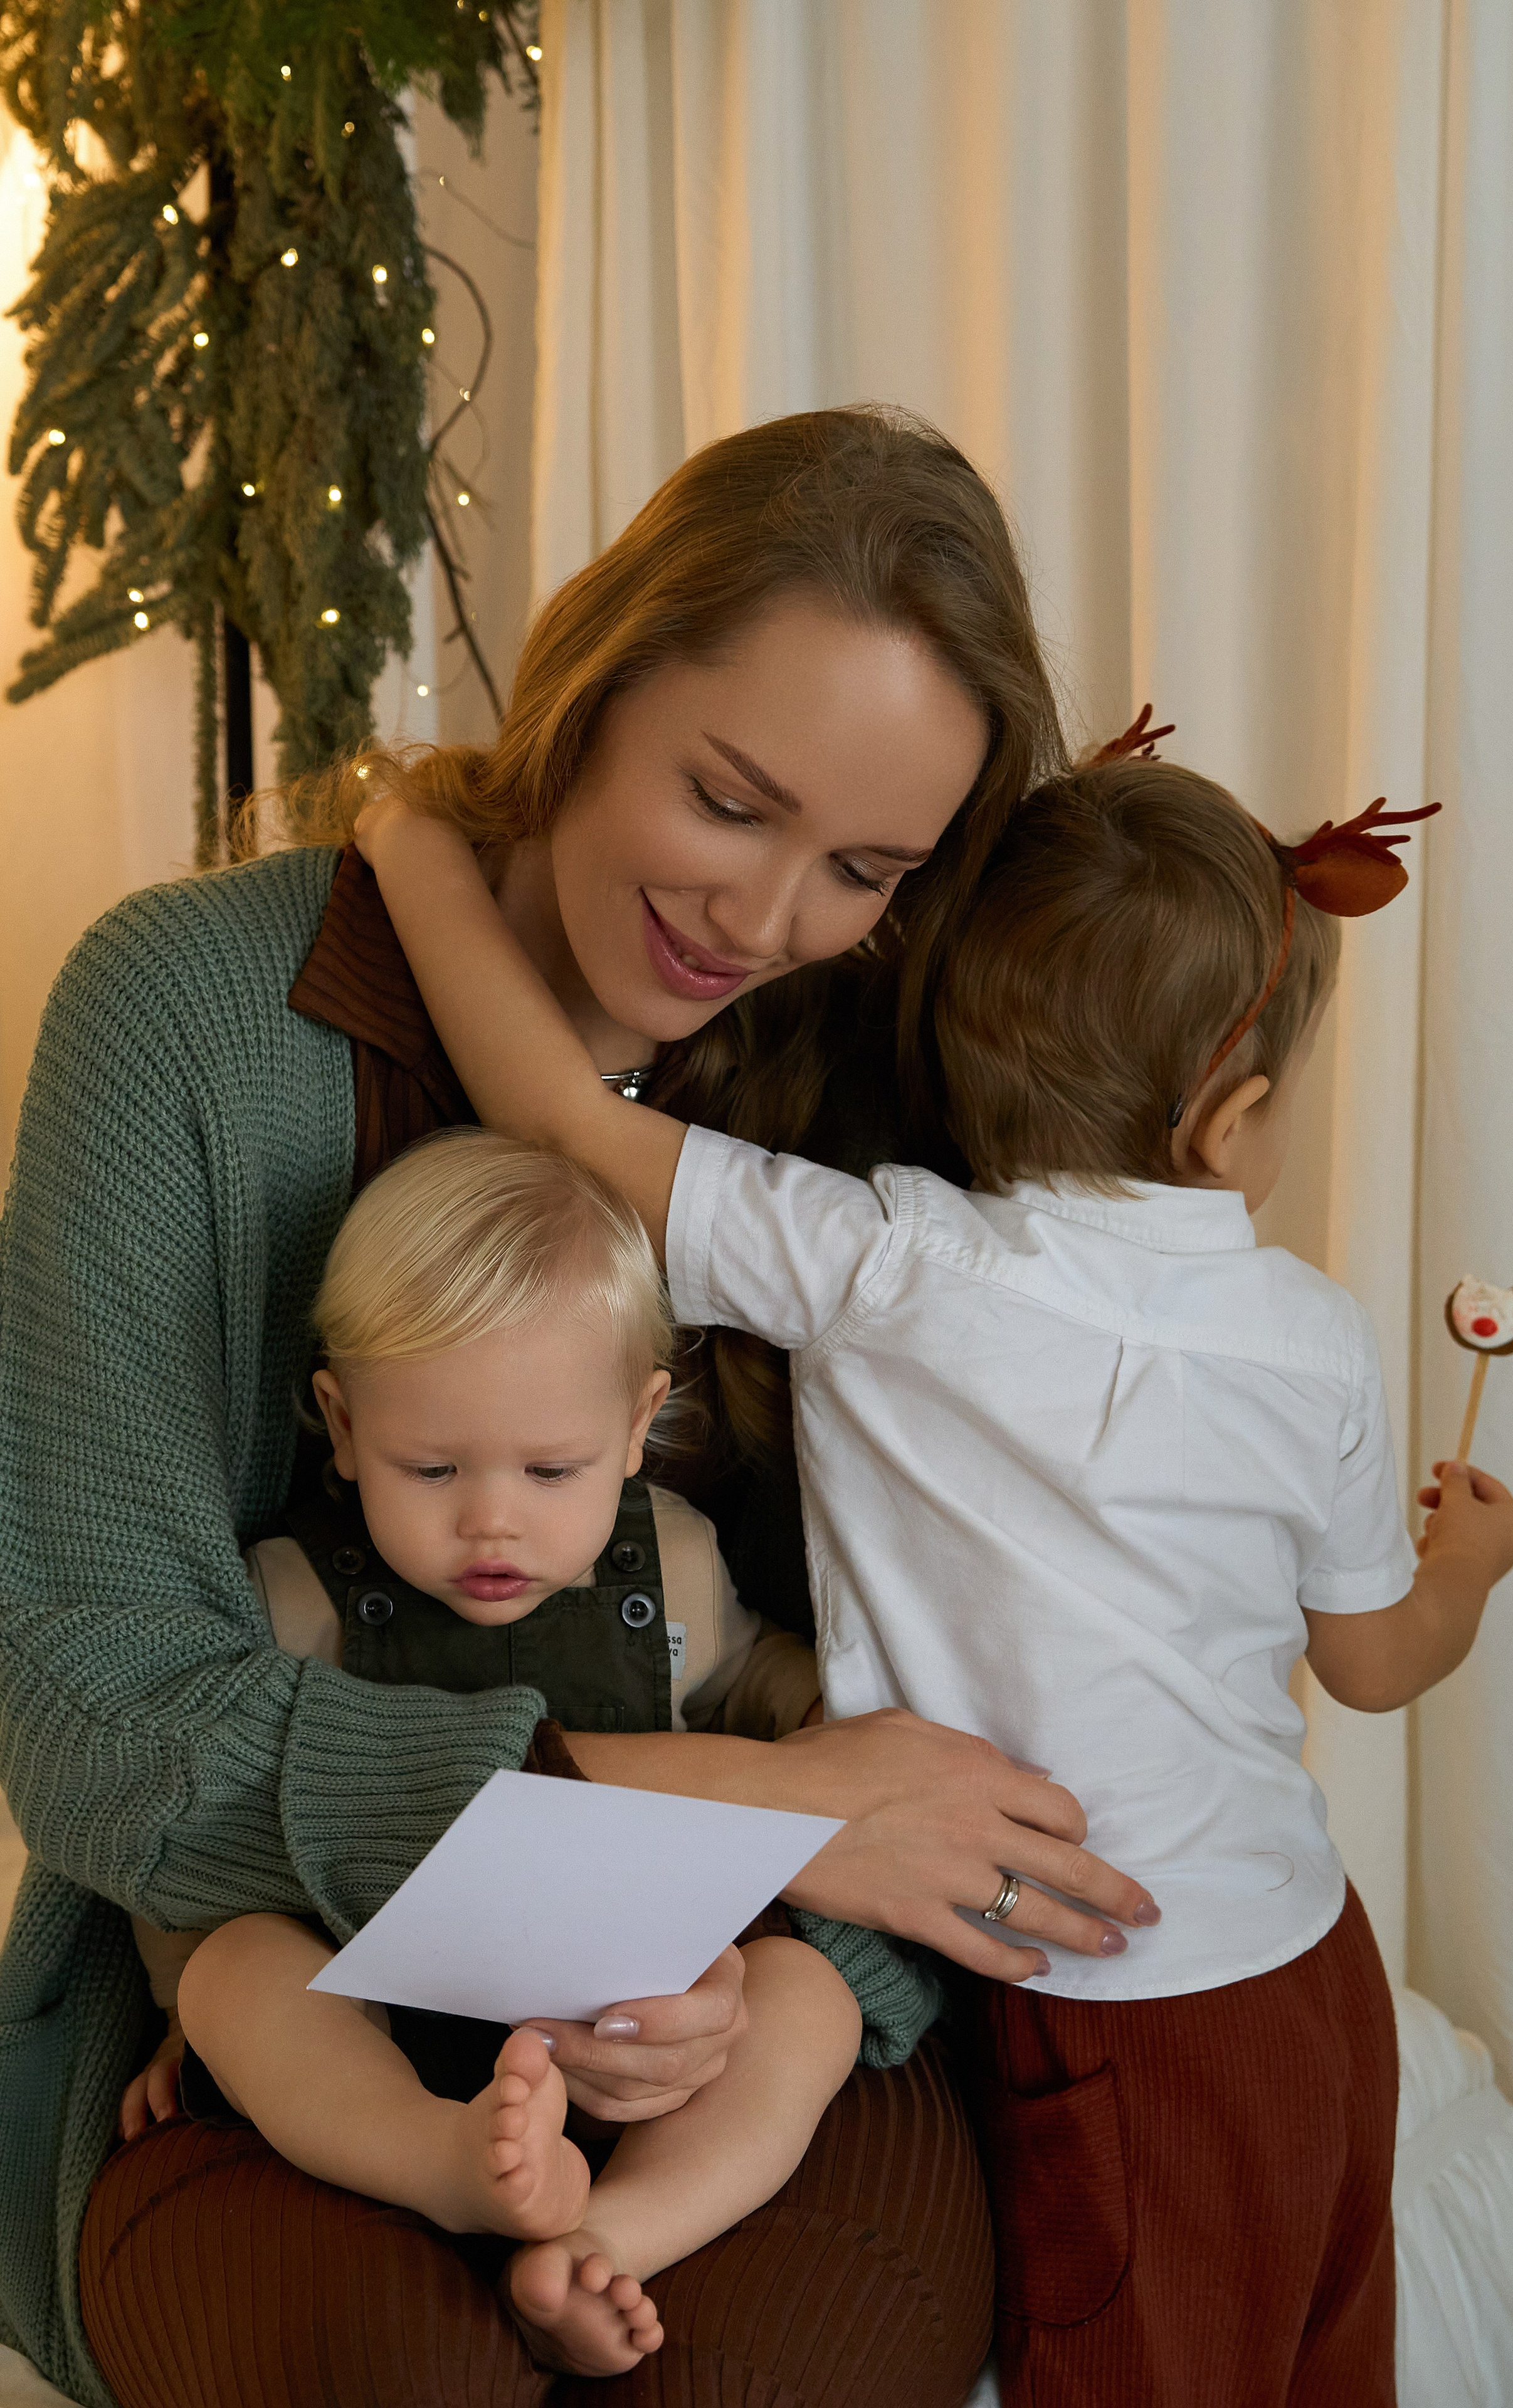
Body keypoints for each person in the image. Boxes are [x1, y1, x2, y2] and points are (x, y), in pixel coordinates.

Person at [0, 405, 1157, 2408]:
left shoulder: (885, 1113)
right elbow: (92, 1713)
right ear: (594, 678)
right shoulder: (187, 1017)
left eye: (864, 866)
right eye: (729, 799)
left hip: (755, 2009)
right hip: (272, 1995)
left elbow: (957, 1735)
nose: (767, 919)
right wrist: (751, 1815)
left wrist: (780, 1969)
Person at [354, 740, 1513, 2408]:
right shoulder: (1317, 1337)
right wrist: (1474, 1564)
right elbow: (1374, 1662)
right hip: (1310, 1972)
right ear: (1235, 1115)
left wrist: (406, 835)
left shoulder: (880, 1263)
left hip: (1117, 2002)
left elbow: (548, 1107)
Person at [127, 1130, 926, 2379]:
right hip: (384, 2018)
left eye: (550, 1469)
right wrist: (199, 2007)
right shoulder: (294, 1599)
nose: (491, 1517)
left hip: (644, 2016)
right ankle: (445, 2167)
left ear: (633, 1427)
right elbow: (209, 1844)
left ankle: (608, 2237)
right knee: (237, 1968)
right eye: (431, 1466)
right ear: (341, 1423)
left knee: (809, 1999)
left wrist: (835, 1728)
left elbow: (767, 1692)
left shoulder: (673, 1566)